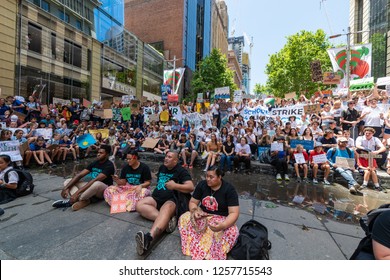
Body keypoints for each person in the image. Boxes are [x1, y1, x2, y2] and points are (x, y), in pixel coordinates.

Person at [134, 151, 194, 255]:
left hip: (172, 200)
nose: (166, 158)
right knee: (139, 205)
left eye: (169, 157)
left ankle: (148, 238)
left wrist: (175, 186)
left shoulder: (181, 171)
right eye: (166, 156)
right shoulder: (162, 167)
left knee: (165, 209)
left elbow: (190, 187)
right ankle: (167, 221)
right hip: (156, 198)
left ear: (175, 160)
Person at [178, 166, 239, 260]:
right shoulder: (202, 185)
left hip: (221, 219)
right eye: (206, 176)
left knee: (232, 231)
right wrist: (195, 211)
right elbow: (193, 202)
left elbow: (234, 212)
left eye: (211, 177)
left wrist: (223, 225)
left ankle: (210, 250)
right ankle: (198, 245)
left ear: (219, 177)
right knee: (184, 218)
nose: (208, 179)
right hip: (203, 215)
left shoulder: (229, 190)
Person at [52, 145, 115, 211]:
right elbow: (80, 175)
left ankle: (75, 199)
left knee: (97, 183)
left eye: (101, 153)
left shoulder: (109, 165)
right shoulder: (95, 163)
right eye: (98, 152)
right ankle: (85, 200)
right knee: (68, 181)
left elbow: (95, 180)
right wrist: (66, 188)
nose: (98, 154)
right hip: (91, 187)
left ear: (107, 154)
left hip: (103, 190)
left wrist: (77, 193)